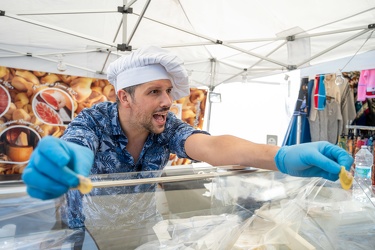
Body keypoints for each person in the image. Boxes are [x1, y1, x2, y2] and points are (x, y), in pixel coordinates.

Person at [23, 45, 353, 201]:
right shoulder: (93, 120)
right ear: (124, 97)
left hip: (138, 232)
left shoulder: (164, 125)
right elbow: (77, 143)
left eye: (168, 91)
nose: (167, 101)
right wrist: (71, 158)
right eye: (154, 92)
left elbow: (211, 146)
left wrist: (279, 156)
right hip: (84, 233)